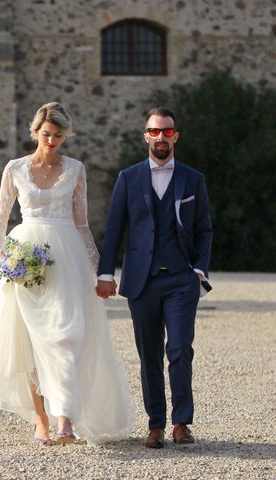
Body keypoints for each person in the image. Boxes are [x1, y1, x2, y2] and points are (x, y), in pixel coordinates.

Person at [0, 102, 132, 446]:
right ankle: (41, 421)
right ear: (35, 132)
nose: (52, 141)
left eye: (59, 136)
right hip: (25, 258)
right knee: (30, 340)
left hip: (68, 259)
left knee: (67, 336)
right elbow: (0, 219)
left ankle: (65, 419)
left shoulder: (76, 169)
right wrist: (2, 257)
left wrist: (101, 271)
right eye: (47, 134)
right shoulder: (15, 168)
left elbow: (81, 224)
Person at [96, 107, 213, 448]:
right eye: (155, 131)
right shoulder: (128, 178)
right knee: (149, 354)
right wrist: (105, 273)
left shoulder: (193, 179)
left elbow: (204, 229)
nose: (161, 137)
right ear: (145, 135)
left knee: (179, 349)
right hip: (141, 281)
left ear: (176, 136)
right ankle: (156, 425)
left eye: (167, 131)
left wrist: (198, 269)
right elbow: (115, 229)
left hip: (181, 279)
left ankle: (181, 423)